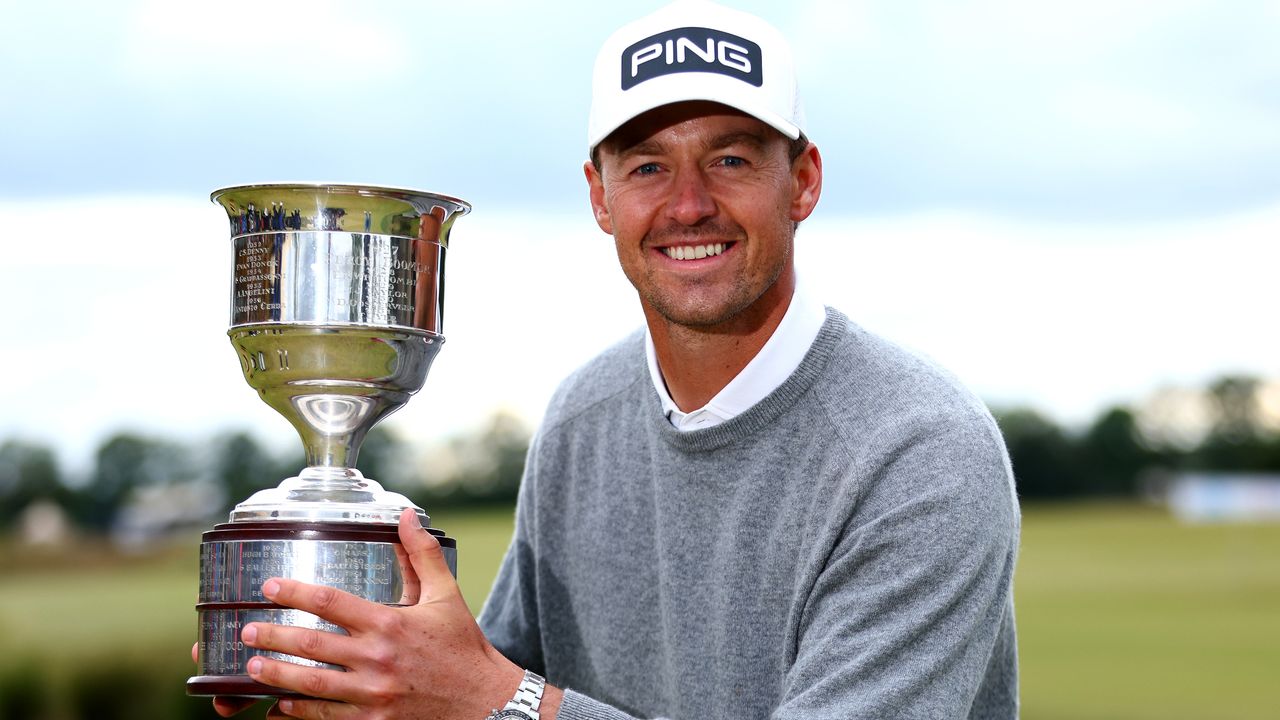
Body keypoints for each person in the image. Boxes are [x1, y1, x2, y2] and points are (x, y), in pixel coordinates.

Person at [205, 2, 1020, 718]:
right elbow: (476, 686)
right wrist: (360, 677)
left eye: (731, 159)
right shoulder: (581, 417)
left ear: (802, 181)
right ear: (600, 195)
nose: (689, 203)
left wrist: (500, 702)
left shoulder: (922, 452)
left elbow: (494, 697)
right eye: (647, 166)